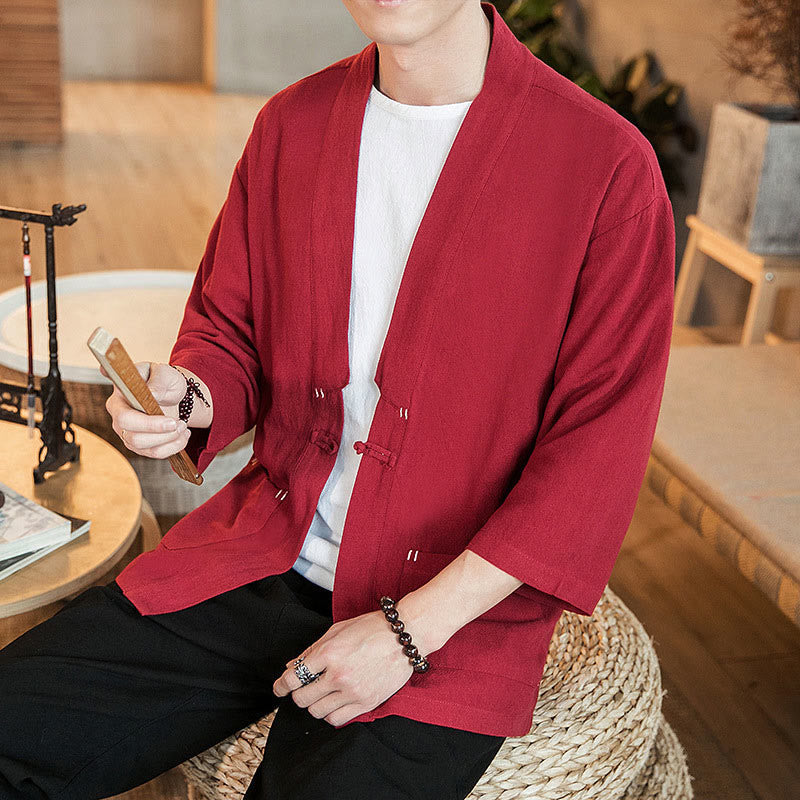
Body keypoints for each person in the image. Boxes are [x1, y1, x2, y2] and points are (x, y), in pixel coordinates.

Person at [0, 1, 676, 798]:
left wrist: (406, 635)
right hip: (265, 552)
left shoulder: (606, 167)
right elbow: (230, 331)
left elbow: (593, 461)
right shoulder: (292, 124)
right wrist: (190, 396)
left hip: (448, 617)